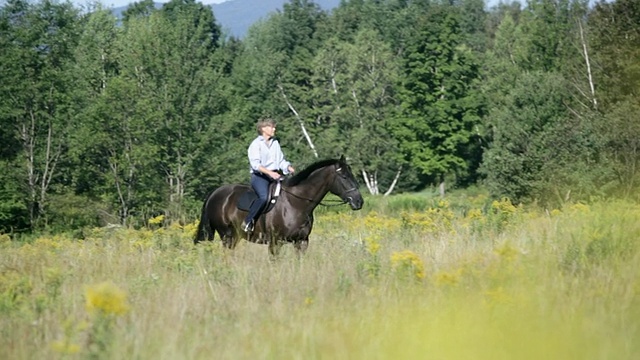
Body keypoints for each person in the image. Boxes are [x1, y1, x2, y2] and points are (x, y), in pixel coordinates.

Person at [242, 118, 295, 232]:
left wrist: (288, 167)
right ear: (263, 129)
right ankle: (248, 221)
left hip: (276, 175)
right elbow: (256, 165)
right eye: (271, 127)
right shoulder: (256, 145)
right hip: (260, 177)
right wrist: (270, 173)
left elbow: (281, 161)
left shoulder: (275, 143)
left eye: (274, 127)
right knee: (264, 197)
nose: (274, 129)